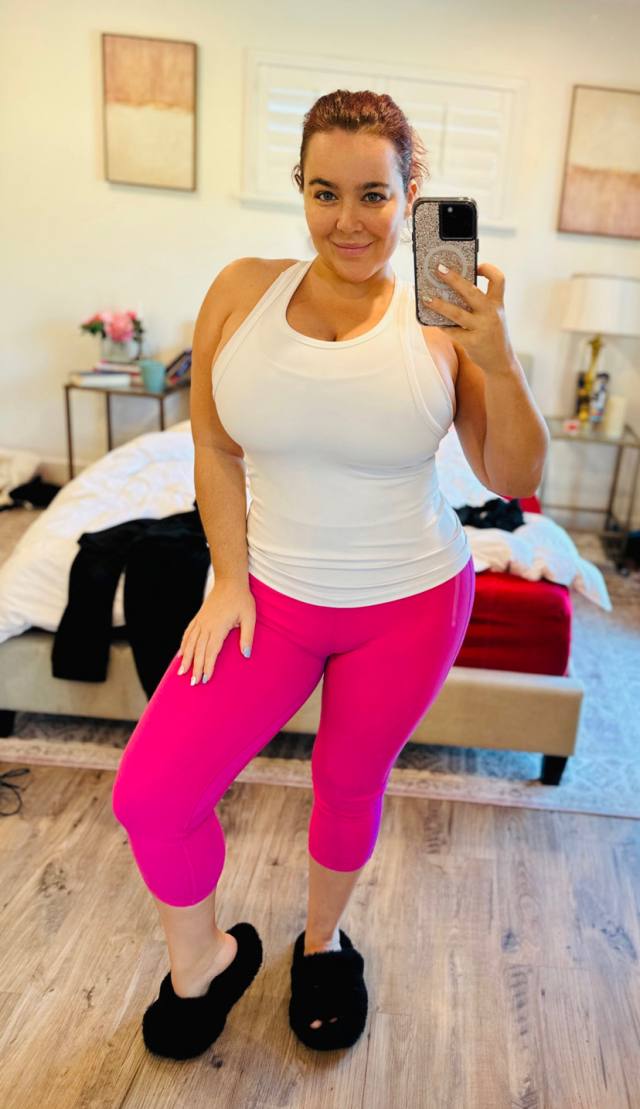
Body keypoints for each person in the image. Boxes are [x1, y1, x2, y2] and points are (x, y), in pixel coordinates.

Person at [111, 88, 546, 1060]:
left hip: (411, 601)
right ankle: (204, 960)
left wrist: (499, 358)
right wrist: (228, 578)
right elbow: (214, 446)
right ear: (301, 189)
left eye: (374, 195)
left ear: (410, 195)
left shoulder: (446, 313)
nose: (349, 220)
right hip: (270, 596)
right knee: (151, 795)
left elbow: (511, 475)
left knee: (348, 781)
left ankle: (322, 943)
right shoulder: (241, 291)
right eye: (325, 192)